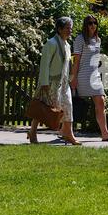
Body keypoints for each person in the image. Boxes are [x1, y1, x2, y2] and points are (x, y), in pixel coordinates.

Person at [27, 17, 81, 145]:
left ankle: (69, 134)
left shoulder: (67, 45)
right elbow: (44, 65)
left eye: (70, 28)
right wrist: (44, 83)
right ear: (59, 29)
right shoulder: (51, 44)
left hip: (63, 84)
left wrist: (70, 80)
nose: (70, 31)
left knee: (68, 107)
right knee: (43, 108)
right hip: (50, 83)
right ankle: (32, 132)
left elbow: (66, 66)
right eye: (67, 28)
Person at [70, 15, 108, 141]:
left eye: (95, 23)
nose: (93, 25)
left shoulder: (98, 40)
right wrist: (73, 78)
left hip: (94, 75)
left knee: (101, 101)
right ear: (85, 25)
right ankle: (63, 129)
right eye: (90, 23)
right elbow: (76, 61)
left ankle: (105, 133)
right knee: (72, 104)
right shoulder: (80, 39)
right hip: (82, 75)